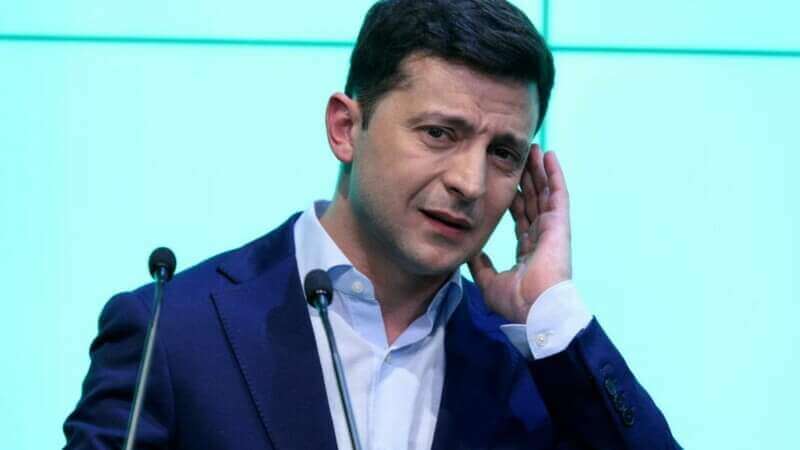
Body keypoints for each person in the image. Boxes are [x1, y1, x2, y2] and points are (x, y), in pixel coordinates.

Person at [64, 1, 681, 449]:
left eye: (502, 153)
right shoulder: (171, 329)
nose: (469, 182)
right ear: (345, 128)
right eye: (439, 133)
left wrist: (547, 308)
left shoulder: (539, 362)